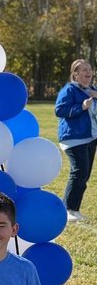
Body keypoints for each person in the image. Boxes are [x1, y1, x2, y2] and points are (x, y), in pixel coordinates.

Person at [54, 58, 97, 223]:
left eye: (89, 69)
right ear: (75, 74)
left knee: (84, 175)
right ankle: (67, 209)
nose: (88, 72)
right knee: (79, 173)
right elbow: (59, 110)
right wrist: (81, 107)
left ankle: (74, 209)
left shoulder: (92, 90)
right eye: (84, 70)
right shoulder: (70, 90)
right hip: (74, 138)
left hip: (90, 138)